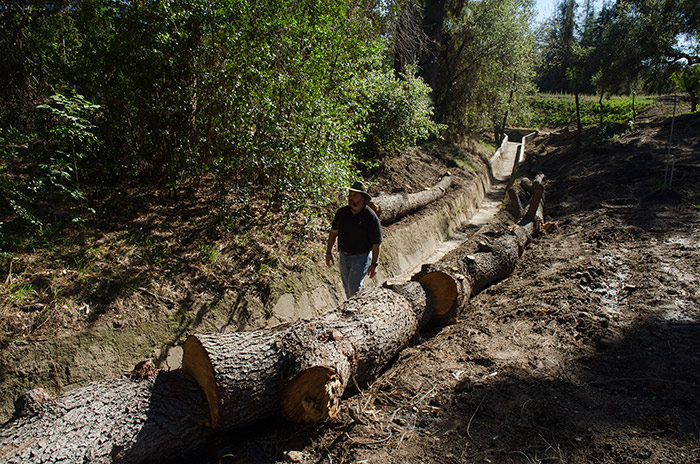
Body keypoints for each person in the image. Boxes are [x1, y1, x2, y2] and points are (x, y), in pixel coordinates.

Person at [325, 181, 382, 298]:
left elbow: (376, 243)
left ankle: (357, 313)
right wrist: (328, 252)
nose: (351, 198)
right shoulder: (342, 213)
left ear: (363, 197)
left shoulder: (370, 217)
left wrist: (374, 264)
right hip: (344, 256)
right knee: (347, 289)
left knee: (354, 289)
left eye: (355, 195)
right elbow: (333, 233)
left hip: (361, 257)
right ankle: (353, 312)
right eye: (350, 194)